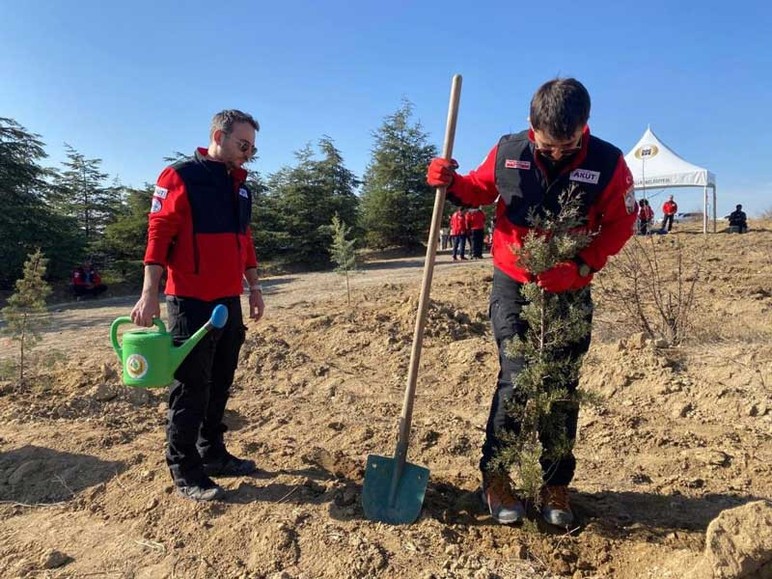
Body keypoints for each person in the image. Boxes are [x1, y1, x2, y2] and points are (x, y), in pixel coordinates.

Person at [427, 78, 637, 527]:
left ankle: (554, 483)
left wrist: (582, 265)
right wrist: (451, 182)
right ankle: (497, 477)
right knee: (518, 377)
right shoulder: (507, 151)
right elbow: (481, 189)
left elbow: (621, 223)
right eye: (547, 144)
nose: (557, 153)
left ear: (585, 126)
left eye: (567, 144)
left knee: (561, 385)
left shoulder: (608, 162)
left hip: (571, 285)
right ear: (530, 126)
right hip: (514, 284)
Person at [130, 109, 265, 502]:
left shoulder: (240, 186)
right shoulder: (180, 176)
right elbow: (158, 235)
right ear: (218, 136)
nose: (247, 154)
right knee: (191, 385)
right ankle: (184, 469)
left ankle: (212, 453)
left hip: (228, 299)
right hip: (190, 299)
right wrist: (149, 293)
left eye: (253, 149)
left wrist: (254, 288)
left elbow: (246, 240)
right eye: (243, 145)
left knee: (221, 378)